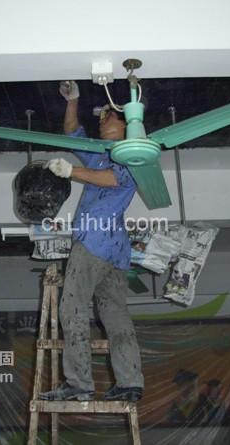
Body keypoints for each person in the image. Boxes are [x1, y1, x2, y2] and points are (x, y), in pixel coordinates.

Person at [39, 81, 144, 402]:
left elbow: (114, 179)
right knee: (115, 316)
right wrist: (73, 101)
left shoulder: (133, 154)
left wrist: (71, 171)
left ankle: (79, 382)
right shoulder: (99, 155)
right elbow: (72, 132)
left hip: (94, 242)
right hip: (115, 252)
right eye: (101, 116)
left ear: (127, 125)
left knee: (72, 308)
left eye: (109, 115)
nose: (102, 119)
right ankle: (130, 383)